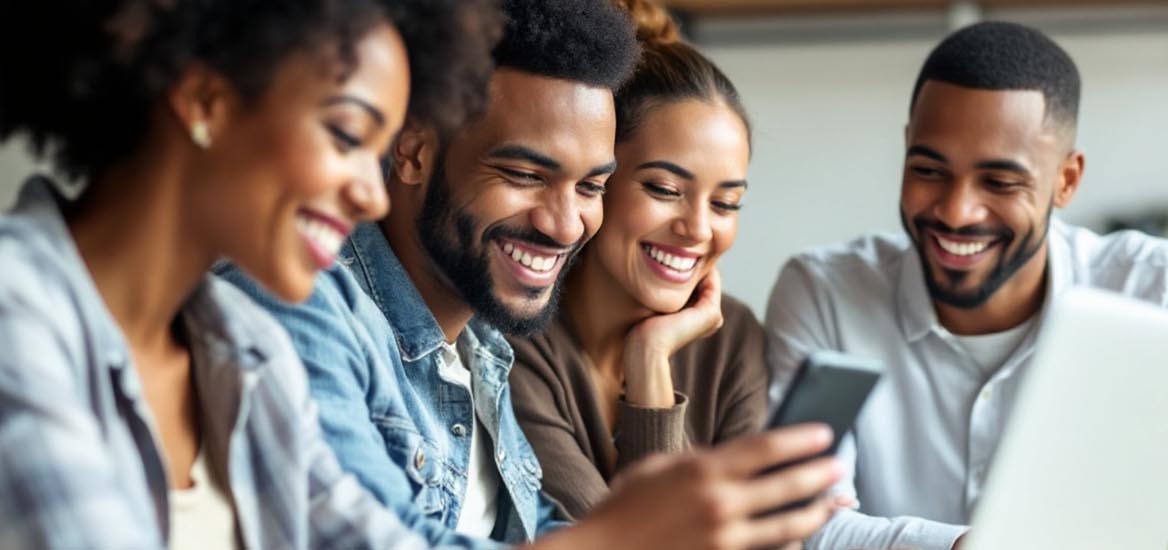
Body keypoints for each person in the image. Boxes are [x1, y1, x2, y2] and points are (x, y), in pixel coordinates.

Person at [220, 0, 841, 547]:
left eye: (592, 186)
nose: (565, 225)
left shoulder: (482, 346)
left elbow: (549, 530)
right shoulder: (299, 303)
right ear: (413, 151)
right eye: (524, 176)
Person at [764, 21, 1168, 550]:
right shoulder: (824, 293)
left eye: (1000, 181)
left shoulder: (1155, 288)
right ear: (906, 147)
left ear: (1067, 180)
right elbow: (799, 523)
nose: (956, 212)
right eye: (928, 170)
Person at [0, 0, 500, 547]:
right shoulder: (17, 311)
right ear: (205, 100)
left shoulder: (249, 349)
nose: (373, 196)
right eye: (347, 136)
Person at [507, 0, 767, 520]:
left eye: (725, 204)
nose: (697, 229)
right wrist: (649, 360)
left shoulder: (732, 336)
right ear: (598, 181)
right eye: (665, 189)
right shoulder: (518, 341)